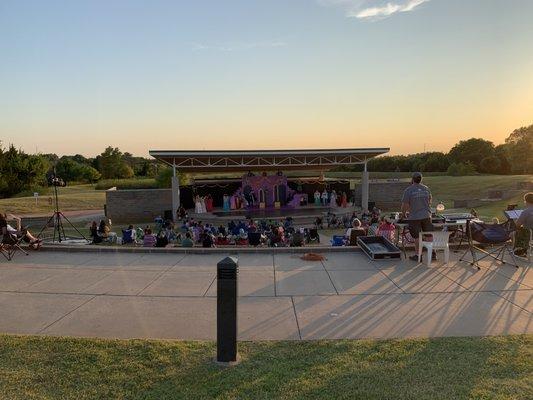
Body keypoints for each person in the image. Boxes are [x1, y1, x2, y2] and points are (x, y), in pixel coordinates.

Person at [401, 172, 435, 262]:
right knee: (429, 234)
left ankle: (418, 255)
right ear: (421, 179)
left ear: (412, 179)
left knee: (417, 236)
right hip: (426, 215)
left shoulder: (409, 190)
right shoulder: (426, 189)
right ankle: (432, 253)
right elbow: (430, 200)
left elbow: (405, 204)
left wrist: (403, 214)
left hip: (414, 216)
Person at [514, 192, 533, 257]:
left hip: (529, 234)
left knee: (513, 233)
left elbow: (517, 225)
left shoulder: (526, 211)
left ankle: (520, 250)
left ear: (526, 201)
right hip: (530, 232)